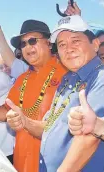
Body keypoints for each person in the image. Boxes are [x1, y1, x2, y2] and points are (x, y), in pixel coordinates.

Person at [0, 19, 68, 172]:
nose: (28, 47)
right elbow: (6, 112)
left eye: (32, 41)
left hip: (54, 165)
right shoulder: (23, 78)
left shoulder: (67, 71)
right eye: (23, 44)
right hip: (21, 163)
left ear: (49, 43)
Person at [36, 15, 104, 172]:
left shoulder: (100, 78)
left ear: (95, 45)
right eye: (62, 45)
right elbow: (51, 125)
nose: (69, 49)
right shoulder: (67, 79)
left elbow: (88, 139)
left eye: (76, 41)